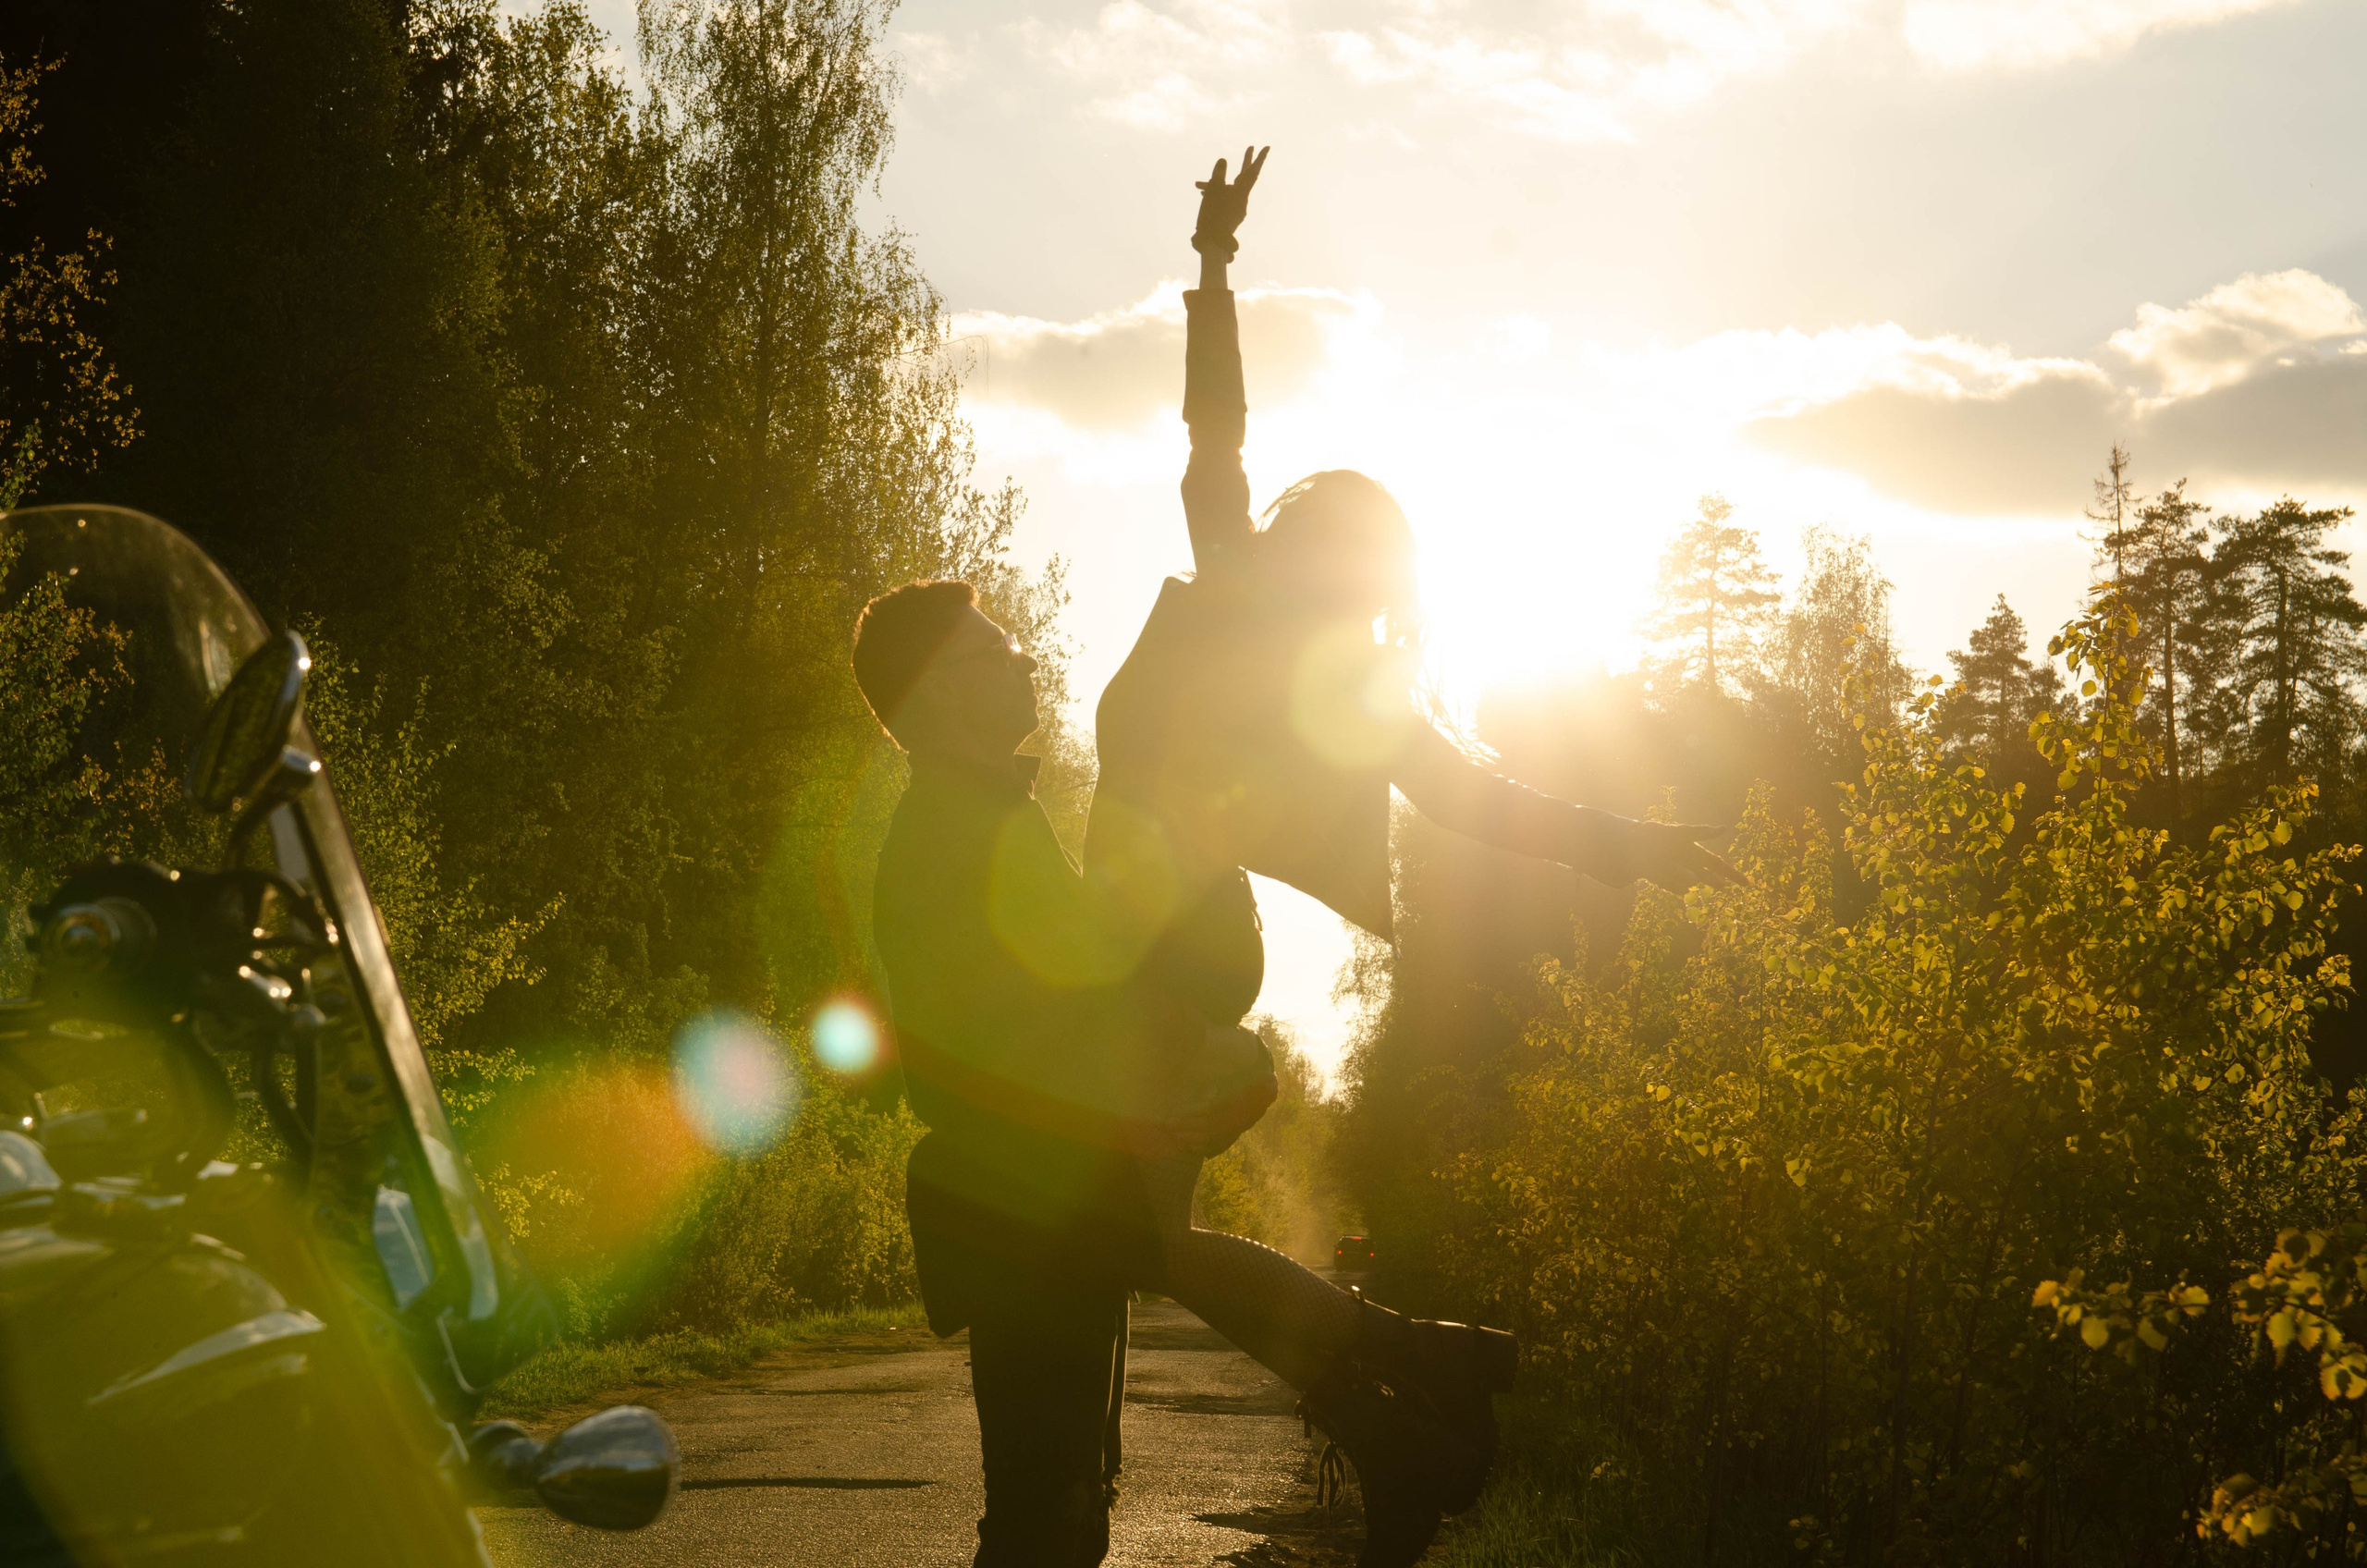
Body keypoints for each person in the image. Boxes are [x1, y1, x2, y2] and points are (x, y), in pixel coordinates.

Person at [1076, 146, 1747, 1561]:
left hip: (1161, 936)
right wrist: (1638, 848)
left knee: (1139, 1245)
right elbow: (1480, 801)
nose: (1274, 521)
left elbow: (1214, 436)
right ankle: (1401, 1398)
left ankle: (1410, 1366)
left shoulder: (1246, 599)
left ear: (1307, 540)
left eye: (1303, 525)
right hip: (1179, 935)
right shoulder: (1324, 656)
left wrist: (1211, 267)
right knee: (1145, 1242)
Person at [857, 581, 1274, 1568]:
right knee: (1047, 1513)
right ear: (937, 692)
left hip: (1052, 1202)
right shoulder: (957, 834)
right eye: (992, 652)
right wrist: (1186, 1040)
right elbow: (1046, 1021)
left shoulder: (993, 816)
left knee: (1067, 1505)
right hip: (1025, 1209)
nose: (1022, 660)